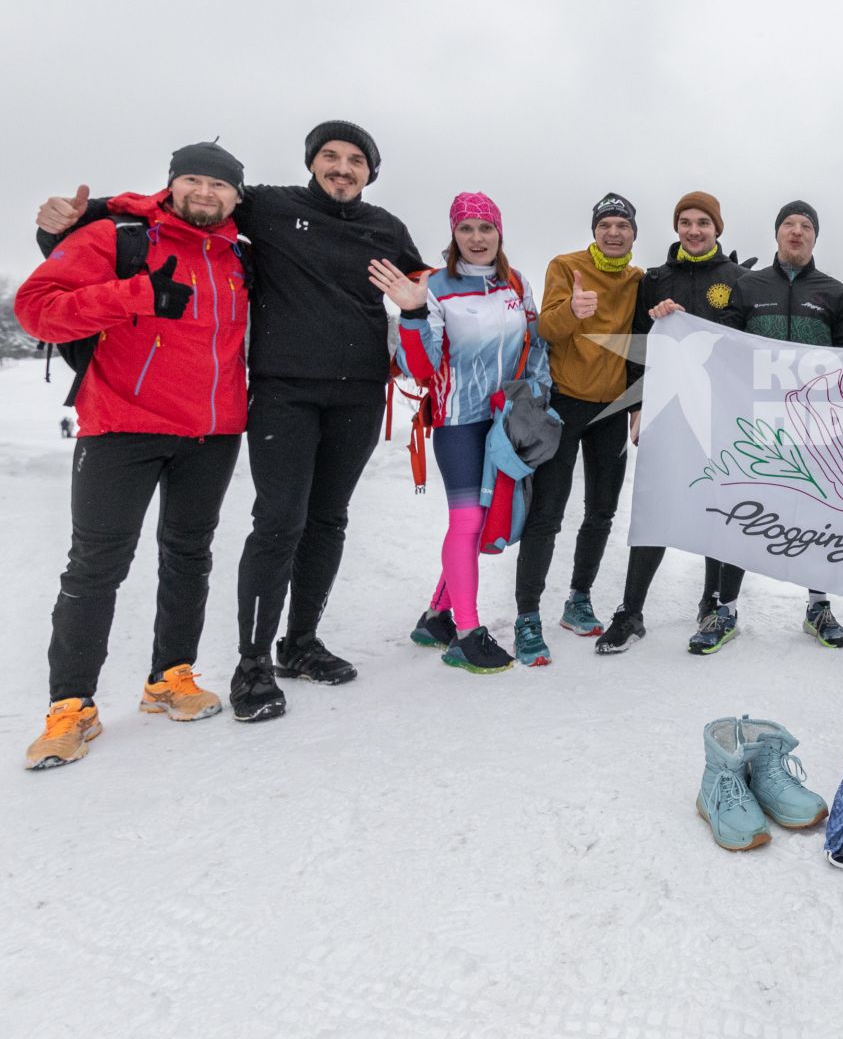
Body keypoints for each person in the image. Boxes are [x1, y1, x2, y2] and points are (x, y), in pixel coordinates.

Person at [37, 121, 426, 722]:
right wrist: (71, 215)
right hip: (279, 395)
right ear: (311, 163)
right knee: (277, 524)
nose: (342, 168)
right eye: (330, 156)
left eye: (356, 160)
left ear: (371, 171)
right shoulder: (269, 207)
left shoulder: (385, 227)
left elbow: (423, 278)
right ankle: (252, 665)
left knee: (325, 522)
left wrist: (426, 297)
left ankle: (297, 646)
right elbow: (175, 202)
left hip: (351, 399)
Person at [17, 142, 249, 768]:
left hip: (212, 430)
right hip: (121, 425)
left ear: (237, 197)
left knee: (189, 555)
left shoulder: (240, 254)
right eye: (194, 179)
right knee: (95, 567)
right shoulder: (119, 236)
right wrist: (134, 296)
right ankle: (71, 708)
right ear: (172, 184)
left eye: (220, 185)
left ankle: (169, 678)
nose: (206, 193)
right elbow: (37, 311)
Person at [378, 192, 549, 674]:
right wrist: (412, 314)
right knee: (470, 522)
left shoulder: (516, 283)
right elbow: (418, 366)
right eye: (466, 229)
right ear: (453, 235)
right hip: (458, 422)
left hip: (504, 420)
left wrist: (536, 396)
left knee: (491, 519)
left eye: (486, 228)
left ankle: (436, 616)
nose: (477, 238)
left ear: (500, 233)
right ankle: (467, 633)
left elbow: (534, 345)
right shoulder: (433, 288)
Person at [609, 191, 750, 655]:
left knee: (722, 505)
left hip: (722, 411)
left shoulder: (738, 279)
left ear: (717, 228)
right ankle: (631, 611)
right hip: (668, 411)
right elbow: (637, 347)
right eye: (685, 222)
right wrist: (637, 406)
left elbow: (748, 346)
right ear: (676, 228)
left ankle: (713, 602)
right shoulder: (654, 279)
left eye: (703, 222)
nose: (693, 230)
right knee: (657, 505)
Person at [513, 192, 645, 658]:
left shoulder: (637, 280)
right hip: (565, 403)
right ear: (594, 230)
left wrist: (638, 404)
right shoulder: (564, 265)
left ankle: (579, 599)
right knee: (547, 511)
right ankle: (527, 615)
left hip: (611, 408)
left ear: (633, 233)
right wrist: (574, 310)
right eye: (605, 224)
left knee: (602, 511)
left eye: (622, 225)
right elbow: (545, 328)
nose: (613, 232)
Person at [735, 200, 843, 647]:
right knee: (735, 511)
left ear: (815, 237)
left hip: (815, 424)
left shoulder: (834, 291)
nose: (796, 231)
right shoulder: (748, 285)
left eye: (806, 225)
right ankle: (722, 608)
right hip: (755, 423)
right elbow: (723, 350)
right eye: (788, 224)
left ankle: (818, 606)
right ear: (776, 234)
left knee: (818, 515)